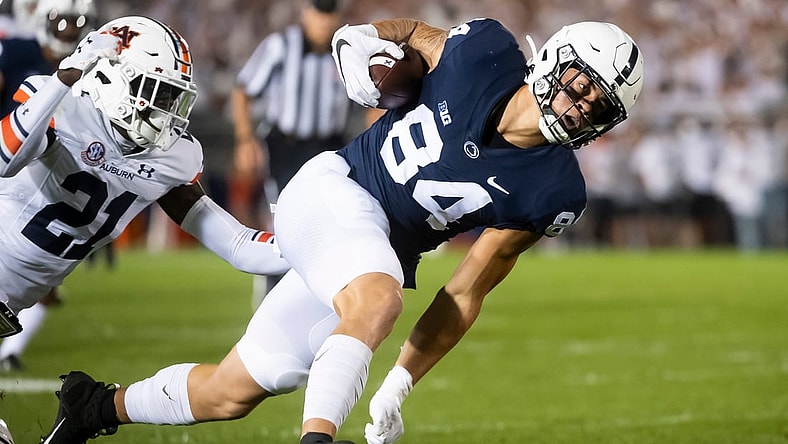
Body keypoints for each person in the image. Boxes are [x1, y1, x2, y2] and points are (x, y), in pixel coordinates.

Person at [41, 16, 644, 444]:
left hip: (363, 253)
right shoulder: (485, 49)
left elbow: (464, 292)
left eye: (601, 105)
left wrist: (400, 382)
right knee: (378, 297)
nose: (581, 105)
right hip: (336, 190)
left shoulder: (555, 192)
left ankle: (94, 406)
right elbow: (409, 34)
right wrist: (360, 39)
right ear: (552, 59)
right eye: (582, 83)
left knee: (232, 392)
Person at [0, 15, 290, 340]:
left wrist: (315, 248)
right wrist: (64, 79)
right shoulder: (63, 109)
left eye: (171, 97)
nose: (167, 109)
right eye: (158, 91)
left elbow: (238, 245)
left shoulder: (170, 158)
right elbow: (4, 161)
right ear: (112, 78)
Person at [231, 0, 357, 305]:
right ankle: (270, 289)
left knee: (330, 219)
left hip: (328, 144)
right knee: (282, 218)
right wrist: (245, 139)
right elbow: (243, 89)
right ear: (306, 13)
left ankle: (319, 294)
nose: (325, 23)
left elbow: (369, 102)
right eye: (319, 14)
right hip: (285, 144)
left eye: (330, 15)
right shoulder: (280, 46)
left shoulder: (346, 51)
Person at [0, 0, 98, 372]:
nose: (70, 31)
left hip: (43, 178)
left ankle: (8, 353)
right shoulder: (17, 51)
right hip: (8, 161)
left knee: (42, 286)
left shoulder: (92, 68)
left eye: (77, 24)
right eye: (62, 22)